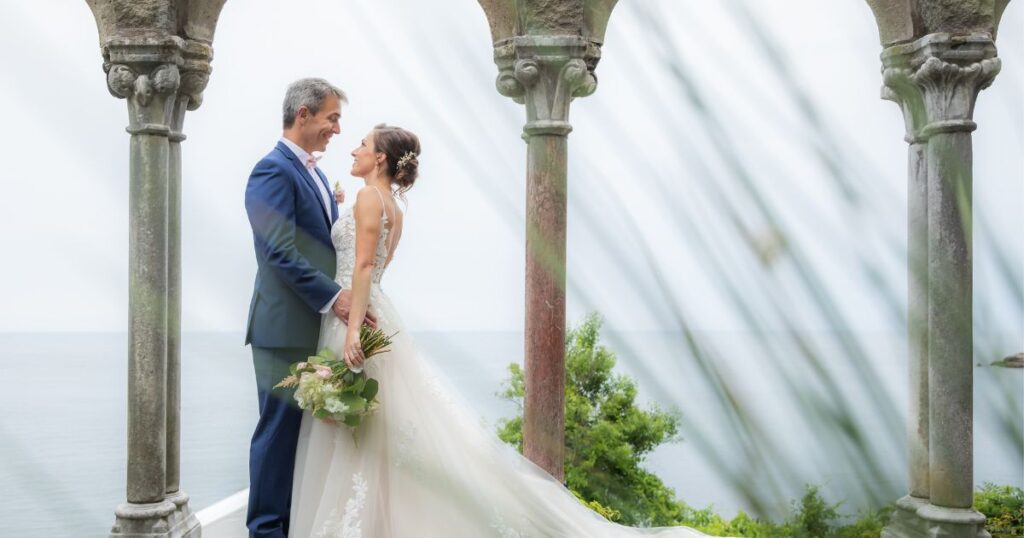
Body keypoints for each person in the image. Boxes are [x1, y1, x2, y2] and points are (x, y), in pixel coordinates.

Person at [287, 123, 706, 537]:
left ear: (380, 157)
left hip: (354, 315)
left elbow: (361, 267)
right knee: (378, 424)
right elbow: (381, 268)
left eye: (362, 144)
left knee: (360, 424)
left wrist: (355, 329)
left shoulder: (366, 197)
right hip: (377, 308)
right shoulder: (392, 207)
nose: (354, 150)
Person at [243, 77, 375, 538]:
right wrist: (335, 297)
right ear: (303, 115)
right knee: (277, 433)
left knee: (302, 436)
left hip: (313, 325)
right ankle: (264, 531)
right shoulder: (271, 171)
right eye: (332, 118)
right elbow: (278, 252)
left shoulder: (315, 173)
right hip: (281, 327)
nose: (337, 129)